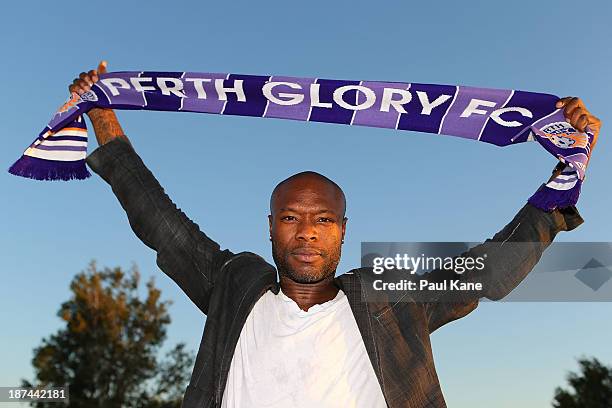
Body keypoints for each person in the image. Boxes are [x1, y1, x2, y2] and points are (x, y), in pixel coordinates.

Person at [72, 61, 601, 408]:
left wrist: (565, 179)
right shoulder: (233, 283)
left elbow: (489, 269)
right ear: (271, 226)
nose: (307, 233)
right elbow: (163, 224)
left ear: (343, 232)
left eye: (323, 220)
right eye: (291, 218)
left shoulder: (389, 293)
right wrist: (104, 120)